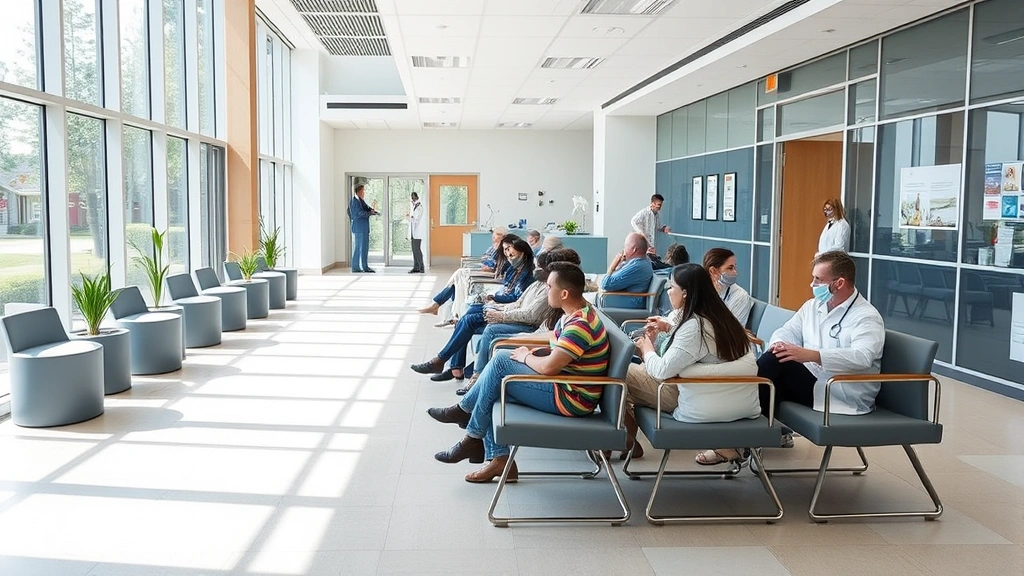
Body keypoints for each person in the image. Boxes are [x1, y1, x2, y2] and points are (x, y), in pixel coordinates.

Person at [425, 262, 610, 483]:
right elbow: (557, 347)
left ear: (564, 293)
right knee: (495, 382)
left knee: (502, 361)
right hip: (564, 385)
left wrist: (526, 357)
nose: (545, 289)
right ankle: (495, 456)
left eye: (549, 286)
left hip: (572, 398)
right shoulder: (574, 314)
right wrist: (533, 351)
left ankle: (470, 426)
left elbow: (551, 367)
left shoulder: (579, 324)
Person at [620, 264, 760, 462]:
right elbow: (700, 348)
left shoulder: (695, 327)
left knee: (617, 372)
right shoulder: (718, 316)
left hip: (684, 392)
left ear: (685, 293)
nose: (668, 292)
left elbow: (661, 370)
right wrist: (667, 328)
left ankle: (624, 440)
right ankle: (628, 441)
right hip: (717, 394)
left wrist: (646, 348)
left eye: (671, 287)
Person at [758, 251, 884, 446]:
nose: (813, 285)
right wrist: (779, 344)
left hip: (840, 391)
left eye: (818, 280)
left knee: (771, 367)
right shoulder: (813, 306)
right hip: (813, 379)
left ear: (839, 283)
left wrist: (812, 355)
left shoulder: (866, 316)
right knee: (774, 358)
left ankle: (740, 439)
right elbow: (788, 330)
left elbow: (863, 357)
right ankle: (752, 437)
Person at [456, 248, 582, 395]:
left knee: (496, 346)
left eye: (541, 267)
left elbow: (532, 318)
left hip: (566, 390)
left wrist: (523, 350)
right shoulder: (563, 306)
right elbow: (521, 304)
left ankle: (471, 381)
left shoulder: (575, 317)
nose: (537, 269)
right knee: (472, 316)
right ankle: (460, 374)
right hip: (533, 333)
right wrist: (500, 310)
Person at [411, 238, 535, 382]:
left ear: (523, 253)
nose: (507, 255)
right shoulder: (516, 269)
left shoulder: (528, 274)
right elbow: (504, 285)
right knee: (464, 317)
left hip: (506, 311)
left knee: (468, 320)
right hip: (499, 305)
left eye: (511, 253)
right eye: (505, 251)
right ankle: (453, 367)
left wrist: (494, 298)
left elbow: (516, 298)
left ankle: (443, 362)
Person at [418, 228, 508, 322]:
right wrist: (486, 261)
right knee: (457, 280)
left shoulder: (502, 250)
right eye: (494, 238)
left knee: (458, 276)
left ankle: (439, 306)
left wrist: (487, 262)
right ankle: (447, 311)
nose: (494, 240)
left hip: (488, 274)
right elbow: (484, 258)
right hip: (481, 269)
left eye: (498, 239)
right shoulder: (492, 248)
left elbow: (493, 266)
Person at [599, 232, 654, 309]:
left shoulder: (637, 266)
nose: (623, 249)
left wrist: (613, 265)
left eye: (625, 246)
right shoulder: (641, 260)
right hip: (624, 297)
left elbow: (606, 284)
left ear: (634, 249)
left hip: (630, 303)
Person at [703, 248, 753, 326]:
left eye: (734, 267)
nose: (735, 272)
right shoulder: (700, 290)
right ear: (713, 271)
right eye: (730, 268)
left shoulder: (740, 297)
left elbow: (732, 332)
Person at [349, 184, 379, 273]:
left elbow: (367, 208)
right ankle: (356, 267)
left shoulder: (360, 200)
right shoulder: (354, 201)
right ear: (359, 192)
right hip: (359, 228)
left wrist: (372, 211)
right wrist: (370, 213)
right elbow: (359, 213)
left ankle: (365, 267)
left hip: (363, 228)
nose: (364, 193)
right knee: (359, 248)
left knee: (364, 248)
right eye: (363, 191)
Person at [630, 194, 670, 259]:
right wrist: (641, 233)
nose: (660, 208)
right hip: (643, 244)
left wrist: (664, 228)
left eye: (661, 205)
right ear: (652, 203)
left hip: (651, 246)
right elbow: (633, 221)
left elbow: (658, 227)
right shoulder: (644, 212)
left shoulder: (657, 215)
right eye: (658, 205)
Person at [407, 192, 426, 273]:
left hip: (417, 232)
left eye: (413, 198)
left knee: (417, 249)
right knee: (414, 250)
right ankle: (416, 267)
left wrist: (409, 218)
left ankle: (421, 267)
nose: (412, 200)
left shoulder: (419, 208)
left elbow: (416, 220)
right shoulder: (414, 207)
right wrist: (410, 217)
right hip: (413, 232)